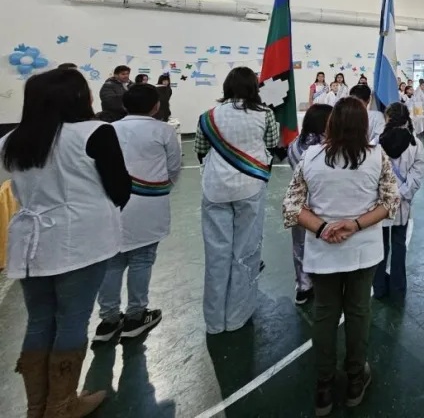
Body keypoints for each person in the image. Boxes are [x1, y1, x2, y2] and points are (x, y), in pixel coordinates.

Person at [4, 69, 130, 418]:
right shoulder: (95, 132)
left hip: (31, 244)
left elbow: (18, 191)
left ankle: (37, 406)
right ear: (79, 99)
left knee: (40, 320)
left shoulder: (13, 140)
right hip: (81, 242)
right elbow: (120, 188)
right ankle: (61, 404)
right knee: (73, 319)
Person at [281, 97, 400, 415]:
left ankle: (323, 385)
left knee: (324, 314)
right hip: (363, 251)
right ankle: (355, 378)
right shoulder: (377, 157)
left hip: (322, 253)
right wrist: (356, 224)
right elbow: (391, 202)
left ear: (331, 124)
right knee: (359, 312)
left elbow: (292, 207)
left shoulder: (311, 157)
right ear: (364, 126)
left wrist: (322, 229)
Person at [195, 67, 287, 335]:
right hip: (250, 186)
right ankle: (237, 316)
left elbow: (200, 150)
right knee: (245, 252)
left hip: (215, 188)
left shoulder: (208, 116)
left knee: (216, 253)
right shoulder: (265, 114)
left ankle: (214, 321)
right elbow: (271, 144)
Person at [93, 84, 182, 344]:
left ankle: (108, 320)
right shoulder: (163, 131)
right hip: (149, 202)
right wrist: (160, 188)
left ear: (124, 105)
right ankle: (136, 315)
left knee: (112, 262)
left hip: (112, 203)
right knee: (142, 259)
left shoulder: (107, 130)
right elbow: (174, 167)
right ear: (156, 106)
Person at [374, 102, 424, 299]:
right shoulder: (415, 144)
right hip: (401, 203)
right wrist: (401, 194)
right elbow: (417, 174)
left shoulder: (376, 142)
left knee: (380, 247)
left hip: (380, 203)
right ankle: (398, 288)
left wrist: (386, 194)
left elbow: (372, 173)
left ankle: (379, 287)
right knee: (399, 244)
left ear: (388, 118)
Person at [286, 103, 334, 306]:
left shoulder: (295, 144)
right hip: (322, 203)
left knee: (300, 246)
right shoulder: (325, 149)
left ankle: (303, 287)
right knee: (325, 243)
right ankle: (325, 284)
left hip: (300, 204)